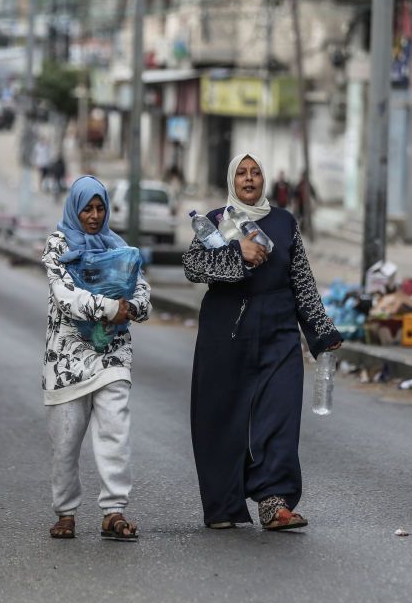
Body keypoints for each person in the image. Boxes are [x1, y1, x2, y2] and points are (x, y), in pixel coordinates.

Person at [181, 152, 342, 531]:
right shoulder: (216, 222)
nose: (249, 179)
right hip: (227, 334)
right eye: (241, 173)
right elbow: (192, 266)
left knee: (280, 416)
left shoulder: (284, 223)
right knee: (221, 419)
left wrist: (321, 332)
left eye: (255, 172)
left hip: (278, 334)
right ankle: (223, 505)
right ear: (231, 180)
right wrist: (238, 254)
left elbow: (301, 279)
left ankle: (275, 503)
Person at [41, 175, 151, 541]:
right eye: (87, 208)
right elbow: (65, 296)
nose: (93, 215)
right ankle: (66, 512)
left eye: (100, 207)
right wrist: (110, 308)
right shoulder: (57, 245)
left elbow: (142, 291)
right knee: (67, 440)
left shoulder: (117, 247)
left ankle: (114, 510)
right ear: (75, 207)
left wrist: (132, 307)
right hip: (67, 358)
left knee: (115, 430)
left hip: (112, 353)